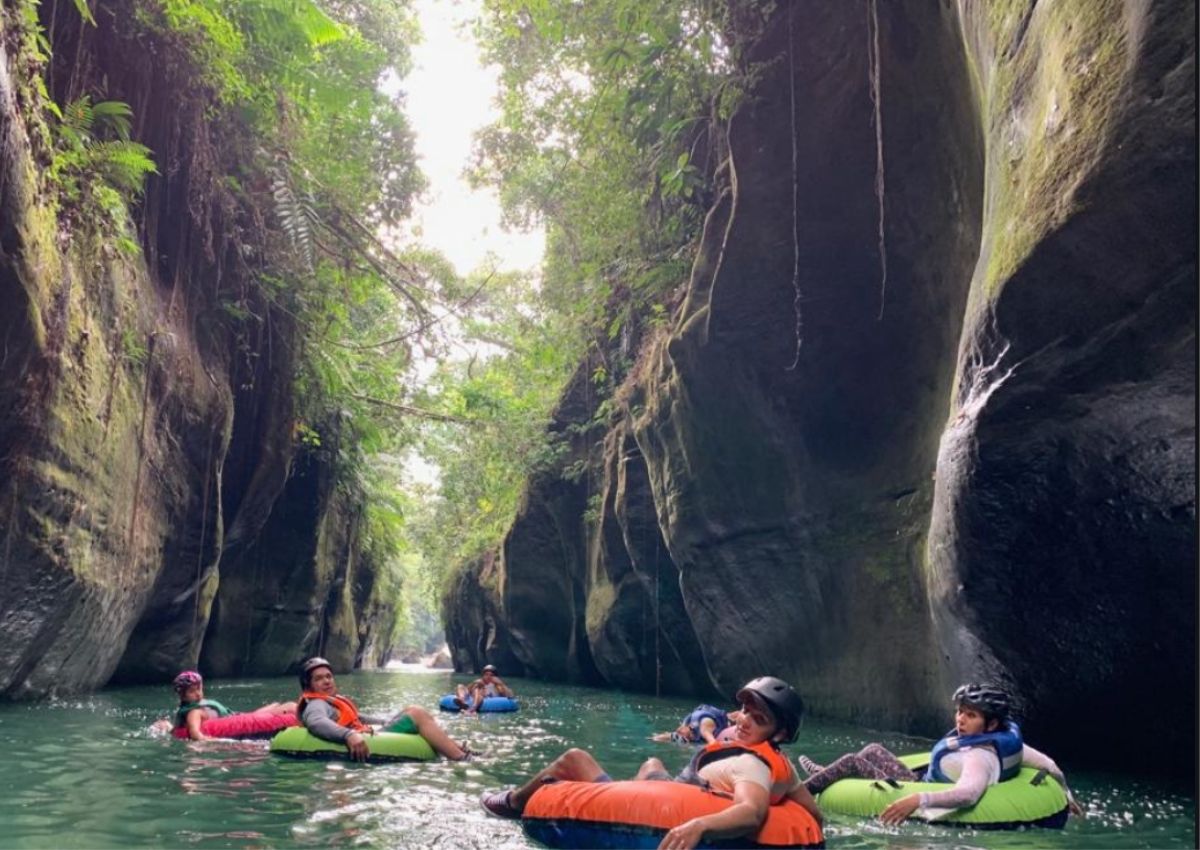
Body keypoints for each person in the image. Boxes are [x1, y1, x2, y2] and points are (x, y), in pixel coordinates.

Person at [480, 676, 822, 848]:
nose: (744, 721)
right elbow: (812, 811)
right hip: (671, 789)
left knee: (574, 759)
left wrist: (699, 826)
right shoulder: (777, 762)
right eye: (745, 711)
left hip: (668, 809)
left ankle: (511, 802)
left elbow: (752, 812)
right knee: (652, 762)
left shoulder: (752, 764)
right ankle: (637, 783)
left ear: (778, 734)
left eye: (757, 718)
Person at [798, 682, 1085, 825]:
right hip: (924, 776)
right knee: (872, 749)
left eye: (970, 715)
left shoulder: (979, 757)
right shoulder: (1007, 741)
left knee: (855, 761)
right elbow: (1050, 765)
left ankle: (799, 792)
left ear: (992, 724)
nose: (960, 720)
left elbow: (968, 794)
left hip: (922, 786)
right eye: (960, 712)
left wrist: (916, 799)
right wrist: (1067, 796)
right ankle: (827, 772)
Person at [297, 656, 471, 762]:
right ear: (309, 686)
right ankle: (461, 758)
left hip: (365, 734)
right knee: (416, 712)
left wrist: (385, 722)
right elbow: (316, 722)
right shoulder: (316, 705)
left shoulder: (330, 701)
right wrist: (348, 735)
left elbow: (358, 717)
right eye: (319, 679)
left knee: (410, 709)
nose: (327, 681)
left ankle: (454, 746)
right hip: (361, 741)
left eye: (329, 676)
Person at [170, 670, 297, 741]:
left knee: (276, 705)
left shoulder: (196, 706)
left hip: (239, 716)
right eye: (192, 691)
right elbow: (195, 734)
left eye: (199, 689)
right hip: (240, 721)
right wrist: (218, 742)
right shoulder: (194, 713)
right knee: (290, 706)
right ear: (183, 695)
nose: (198, 694)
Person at [651, 704, 738, 744]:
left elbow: (713, 743)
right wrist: (655, 738)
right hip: (704, 711)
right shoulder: (686, 725)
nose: (681, 736)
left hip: (723, 719)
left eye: (680, 733)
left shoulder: (704, 728)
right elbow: (672, 735)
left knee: (732, 717)